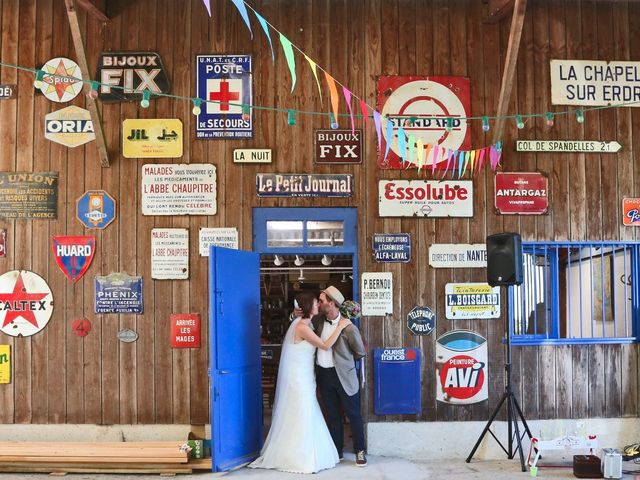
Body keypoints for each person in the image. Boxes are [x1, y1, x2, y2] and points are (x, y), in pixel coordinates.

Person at [249, 291, 351, 474]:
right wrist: (341, 326)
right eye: (315, 303)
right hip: (299, 378)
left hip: (305, 375)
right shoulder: (302, 327)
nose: (318, 305)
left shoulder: (307, 323)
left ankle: (309, 452)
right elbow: (325, 345)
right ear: (307, 307)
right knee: (302, 411)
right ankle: (300, 457)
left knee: (306, 411)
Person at [313, 286, 368, 467]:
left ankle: (360, 451)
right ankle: (337, 451)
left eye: (321, 301)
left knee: (354, 414)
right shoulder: (319, 321)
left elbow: (360, 351)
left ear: (332, 304)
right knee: (333, 415)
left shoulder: (349, 327)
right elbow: (301, 323)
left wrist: (345, 362)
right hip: (324, 375)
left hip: (344, 376)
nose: (319, 304)